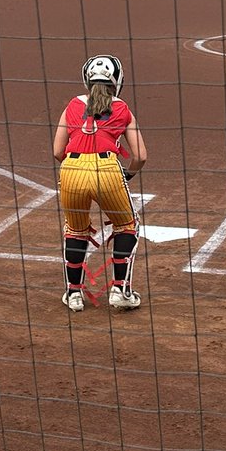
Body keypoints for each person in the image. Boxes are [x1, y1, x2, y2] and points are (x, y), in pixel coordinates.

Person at [52, 55, 147, 313]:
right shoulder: (122, 108)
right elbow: (140, 156)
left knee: (76, 230)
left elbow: (57, 151)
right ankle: (120, 290)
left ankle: (73, 294)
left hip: (71, 169)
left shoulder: (72, 105)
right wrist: (128, 175)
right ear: (117, 80)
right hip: (107, 170)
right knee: (127, 225)